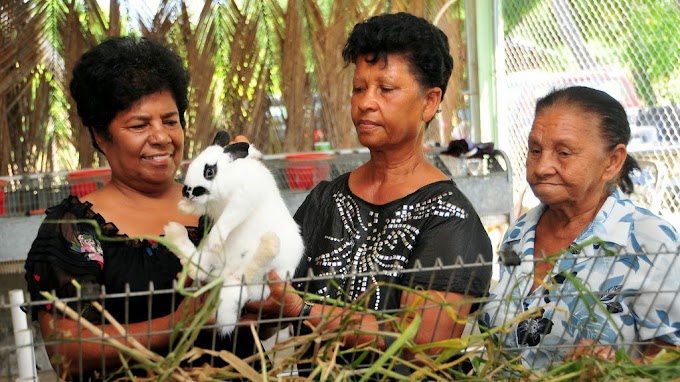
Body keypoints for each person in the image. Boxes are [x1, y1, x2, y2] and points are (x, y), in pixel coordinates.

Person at [245, 11, 493, 366]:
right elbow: (269, 301)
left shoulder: (449, 217)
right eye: (359, 88)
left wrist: (305, 310)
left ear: (429, 102)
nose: (365, 102)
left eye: (386, 89)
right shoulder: (326, 200)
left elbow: (425, 344)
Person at [23, 36, 252, 379]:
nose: (161, 137)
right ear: (102, 137)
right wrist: (178, 324)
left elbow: (258, 325)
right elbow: (67, 351)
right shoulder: (75, 229)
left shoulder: (220, 206)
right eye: (139, 125)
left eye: (170, 121)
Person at [479, 86, 680, 370]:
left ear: (612, 162)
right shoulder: (520, 233)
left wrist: (619, 368)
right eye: (535, 150)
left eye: (563, 153)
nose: (542, 167)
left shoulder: (650, 241)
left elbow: (672, 358)